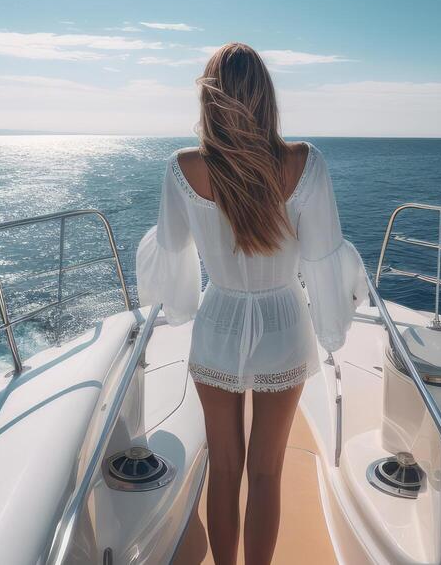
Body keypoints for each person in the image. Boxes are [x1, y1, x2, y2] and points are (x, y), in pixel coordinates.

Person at [137, 42, 366, 565]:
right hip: (284, 325)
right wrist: (331, 326)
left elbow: (171, 251)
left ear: (210, 99)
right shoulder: (304, 163)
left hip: (218, 324)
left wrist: (178, 306)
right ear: (265, 96)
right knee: (267, 472)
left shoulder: (183, 168)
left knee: (224, 467)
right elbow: (324, 257)